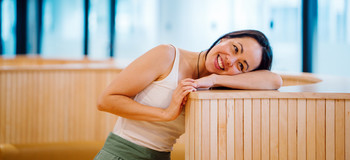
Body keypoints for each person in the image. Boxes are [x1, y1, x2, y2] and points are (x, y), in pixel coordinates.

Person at [95, 29, 282, 160]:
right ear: (225, 38)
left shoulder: (215, 84)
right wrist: (165, 114)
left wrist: (214, 80)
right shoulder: (167, 55)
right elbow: (106, 100)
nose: (230, 60)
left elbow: (274, 80)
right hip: (121, 154)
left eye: (241, 65)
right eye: (235, 48)